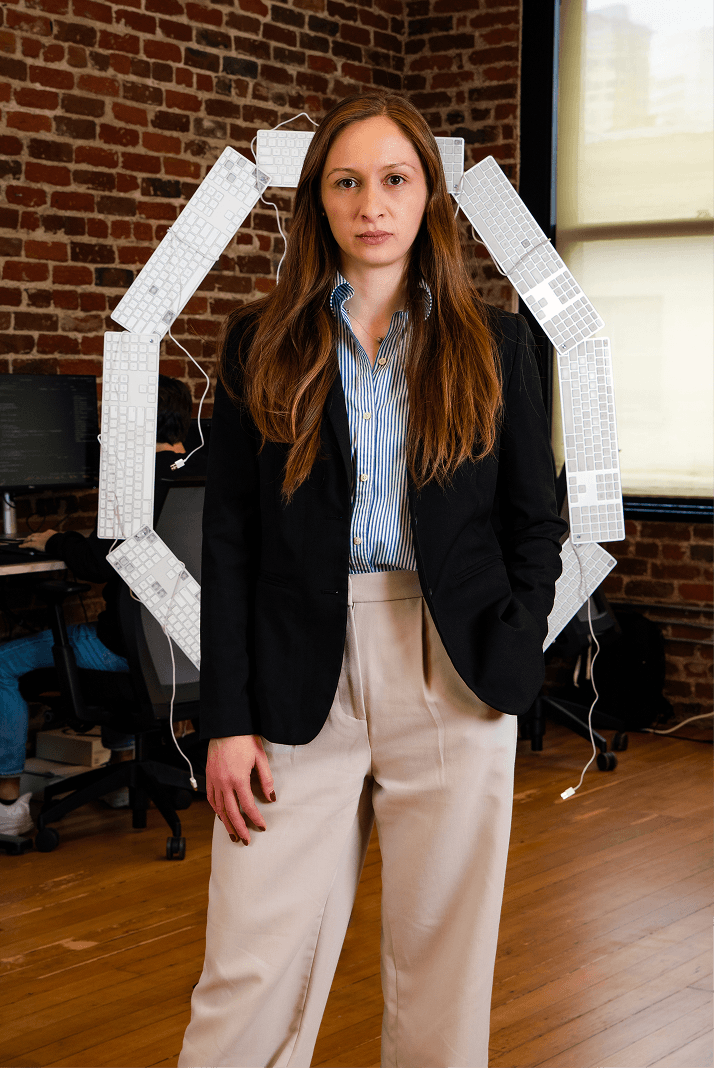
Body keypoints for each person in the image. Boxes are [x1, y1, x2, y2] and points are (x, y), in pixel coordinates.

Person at [179, 91, 567, 1068]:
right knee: (248, 967)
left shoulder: (497, 342)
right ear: (318, 202)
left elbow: (536, 519)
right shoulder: (257, 339)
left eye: (393, 179)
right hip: (291, 671)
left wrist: (513, 642)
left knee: (445, 972)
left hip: (454, 666)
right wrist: (225, 719)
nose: (370, 202)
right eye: (345, 181)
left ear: (428, 197)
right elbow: (226, 543)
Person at [0, 375, 193, 834]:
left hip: (124, 652)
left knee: (2, 662)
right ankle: (123, 777)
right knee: (130, 632)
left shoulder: (135, 485)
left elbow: (96, 562)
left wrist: (54, 540)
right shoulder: (206, 476)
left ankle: (7, 803)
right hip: (188, 655)